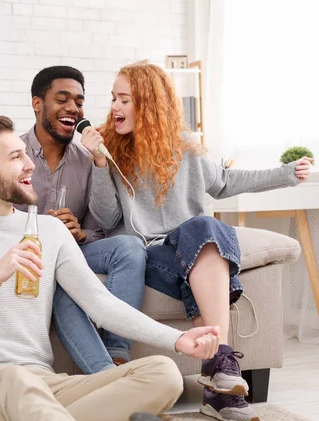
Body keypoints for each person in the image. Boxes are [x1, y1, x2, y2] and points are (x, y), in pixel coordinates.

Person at [0, 115, 223, 421]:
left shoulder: (48, 231)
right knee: (15, 381)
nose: (28, 165)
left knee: (162, 373)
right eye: (15, 157)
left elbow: (100, 304)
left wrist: (178, 339)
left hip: (44, 383)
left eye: (25, 154)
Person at [81, 63, 312, 421]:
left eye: (124, 99)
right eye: (113, 98)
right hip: (150, 256)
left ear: (149, 104)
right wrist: (99, 162)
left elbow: (225, 182)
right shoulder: (110, 150)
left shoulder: (186, 149)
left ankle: (218, 379)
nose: (113, 106)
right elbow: (107, 218)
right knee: (203, 239)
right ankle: (222, 372)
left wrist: (285, 174)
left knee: (203, 229)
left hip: (192, 252)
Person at [16, 65, 146, 372]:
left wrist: (81, 234)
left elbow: (103, 225)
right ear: (38, 104)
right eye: (62, 99)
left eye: (79, 101)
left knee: (129, 247)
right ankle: (106, 376)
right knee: (63, 284)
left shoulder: (87, 161)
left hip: (72, 253)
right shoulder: (12, 153)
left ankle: (117, 355)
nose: (73, 108)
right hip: (28, 256)